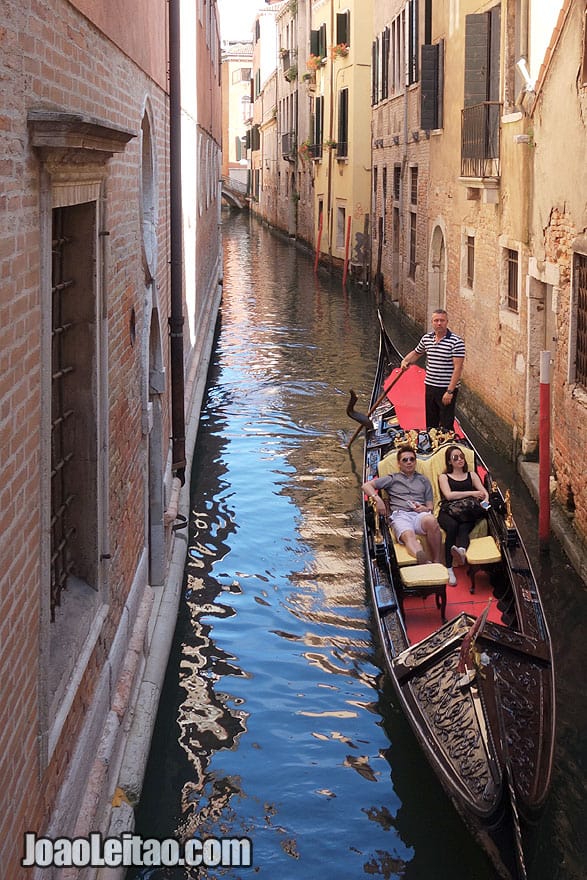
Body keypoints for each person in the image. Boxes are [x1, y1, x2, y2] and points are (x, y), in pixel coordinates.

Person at [362, 445, 443, 565]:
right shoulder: (392, 479)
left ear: (415, 462)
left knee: (431, 521)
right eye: (405, 460)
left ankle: (437, 561)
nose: (409, 462)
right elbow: (366, 486)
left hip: (419, 515)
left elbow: (430, 506)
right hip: (401, 515)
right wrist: (377, 499)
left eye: (412, 459)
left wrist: (423, 508)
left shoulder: (424, 480)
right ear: (399, 463)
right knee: (408, 535)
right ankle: (424, 561)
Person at [400, 308, 465, 430]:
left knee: (446, 422)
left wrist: (450, 392)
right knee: (431, 420)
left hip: (446, 388)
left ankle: (446, 445)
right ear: (432, 322)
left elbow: (458, 368)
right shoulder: (427, 338)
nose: (439, 323)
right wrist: (405, 360)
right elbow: (416, 353)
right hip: (430, 386)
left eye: (442, 320)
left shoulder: (456, 342)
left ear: (447, 322)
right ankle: (432, 443)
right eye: (436, 320)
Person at [437, 445, 489, 585]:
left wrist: (486, 504)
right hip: (449, 512)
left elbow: (484, 493)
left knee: (464, 527)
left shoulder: (471, 475)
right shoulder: (444, 477)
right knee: (453, 527)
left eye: (461, 456)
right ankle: (449, 568)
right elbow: (448, 495)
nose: (460, 459)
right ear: (449, 461)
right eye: (455, 457)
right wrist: (471, 493)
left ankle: (461, 550)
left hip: (467, 512)